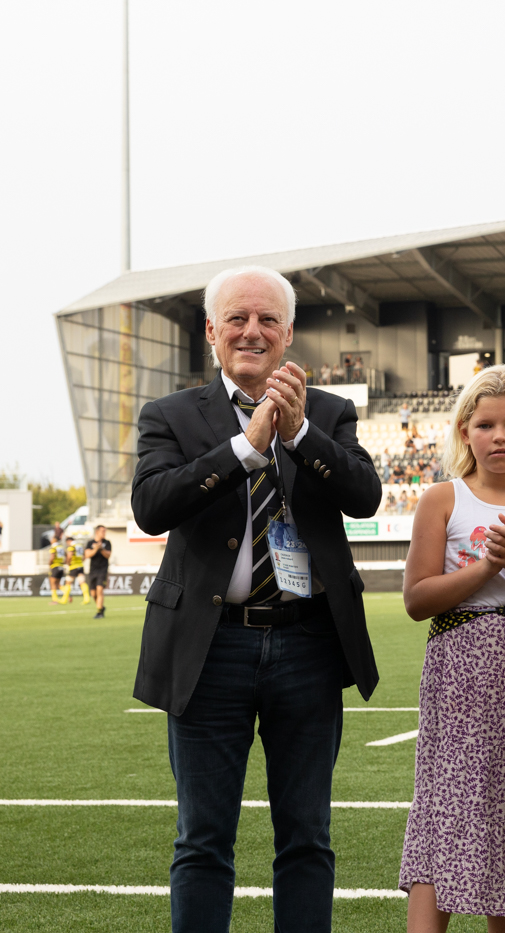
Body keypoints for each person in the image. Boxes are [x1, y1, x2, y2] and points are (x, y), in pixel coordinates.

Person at [131, 265, 382, 933]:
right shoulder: (171, 415)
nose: (253, 330)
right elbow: (152, 506)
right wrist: (248, 446)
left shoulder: (328, 410)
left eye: (268, 319)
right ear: (211, 331)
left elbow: (364, 496)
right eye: (237, 318)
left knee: (306, 834)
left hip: (307, 643)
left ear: (289, 332)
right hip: (208, 649)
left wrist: (299, 435)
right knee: (203, 837)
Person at [399, 366, 505, 932]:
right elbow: (418, 599)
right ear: (465, 431)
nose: (499, 437)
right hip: (459, 669)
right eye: (486, 424)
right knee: (443, 806)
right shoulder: (443, 499)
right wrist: (489, 565)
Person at [84, 526, 113, 619]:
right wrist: (96, 548)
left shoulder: (107, 543)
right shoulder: (90, 543)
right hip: (93, 570)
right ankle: (101, 607)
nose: (104, 532)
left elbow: (108, 555)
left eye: (105, 531)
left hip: (103, 570)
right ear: (97, 532)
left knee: (99, 590)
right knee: (93, 593)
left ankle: (99, 612)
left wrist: (101, 549)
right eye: (102, 531)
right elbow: (88, 555)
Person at [64, 534, 86, 603]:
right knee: (82, 582)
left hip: (73, 566)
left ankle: (65, 599)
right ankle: (86, 598)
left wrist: (68, 563)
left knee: (68, 582)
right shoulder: (79, 546)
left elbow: (69, 556)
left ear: (69, 541)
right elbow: (84, 556)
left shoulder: (72, 546)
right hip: (80, 566)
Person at [47, 533, 67, 603]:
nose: (51, 540)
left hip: (55, 566)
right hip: (61, 567)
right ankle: (67, 593)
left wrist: (49, 563)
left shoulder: (53, 547)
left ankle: (54, 600)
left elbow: (52, 557)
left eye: (52, 538)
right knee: (58, 584)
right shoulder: (61, 547)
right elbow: (66, 555)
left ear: (55, 539)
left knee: (52, 583)